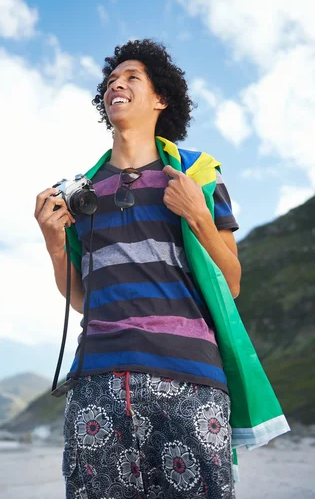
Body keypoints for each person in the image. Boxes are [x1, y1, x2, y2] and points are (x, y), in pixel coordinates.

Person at [35, 39, 242, 498]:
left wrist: (198, 216)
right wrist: (54, 245)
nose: (117, 85)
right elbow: (83, 298)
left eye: (132, 78)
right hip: (97, 381)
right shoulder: (80, 194)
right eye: (111, 81)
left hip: (189, 379)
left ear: (160, 98)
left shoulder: (198, 175)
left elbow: (231, 282)